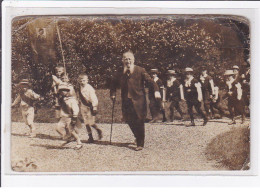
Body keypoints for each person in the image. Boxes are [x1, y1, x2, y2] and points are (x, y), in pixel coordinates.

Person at [110, 51, 161, 151]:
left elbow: (150, 81)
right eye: (126, 59)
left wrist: (156, 91)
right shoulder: (120, 71)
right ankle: (137, 137)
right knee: (128, 120)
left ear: (133, 60)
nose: (128, 61)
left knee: (139, 121)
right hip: (126, 101)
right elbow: (113, 83)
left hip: (139, 101)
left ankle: (140, 143)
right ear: (123, 60)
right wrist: (112, 93)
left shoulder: (140, 70)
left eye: (129, 59)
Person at [78, 73, 103, 143]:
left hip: (90, 107)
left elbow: (94, 99)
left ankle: (98, 130)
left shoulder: (89, 88)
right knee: (86, 123)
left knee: (91, 123)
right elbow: (80, 97)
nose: (82, 82)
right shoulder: (79, 87)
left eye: (83, 80)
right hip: (83, 107)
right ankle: (90, 137)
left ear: (87, 80)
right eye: (80, 81)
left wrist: (94, 107)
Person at [57, 83, 83, 149]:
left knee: (71, 130)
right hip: (63, 117)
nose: (62, 92)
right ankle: (68, 137)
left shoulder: (72, 100)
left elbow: (76, 110)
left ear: (68, 91)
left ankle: (79, 142)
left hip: (70, 117)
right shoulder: (62, 99)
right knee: (58, 128)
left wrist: (74, 118)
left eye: (64, 90)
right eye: (61, 90)